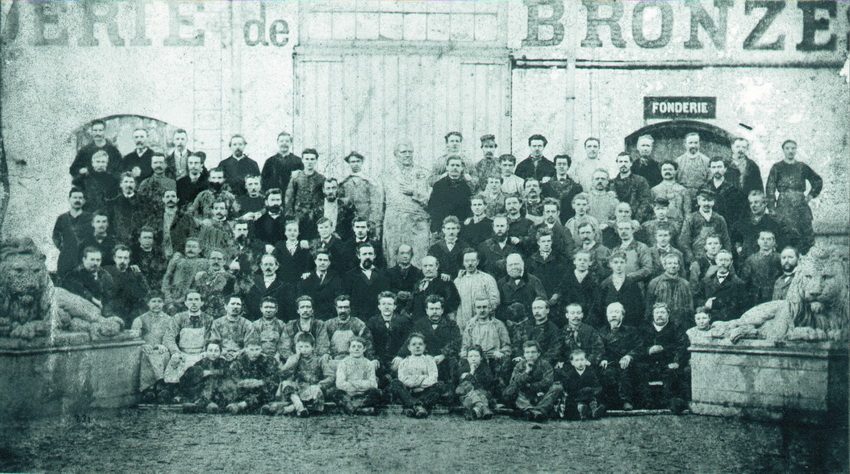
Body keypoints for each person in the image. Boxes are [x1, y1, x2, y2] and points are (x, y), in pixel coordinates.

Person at [765, 139, 823, 253]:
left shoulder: (802, 167)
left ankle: (802, 262)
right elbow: (770, 188)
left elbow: (817, 181)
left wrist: (810, 196)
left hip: (800, 205)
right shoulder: (777, 167)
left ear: (796, 150)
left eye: (793, 148)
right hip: (784, 206)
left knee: (804, 236)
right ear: (783, 150)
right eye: (787, 148)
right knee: (784, 235)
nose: (790, 151)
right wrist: (771, 208)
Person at [382, 141, 431, 267]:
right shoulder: (386, 175)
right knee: (394, 259)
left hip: (417, 222)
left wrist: (414, 192)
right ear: (396, 154)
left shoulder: (424, 173)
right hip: (394, 224)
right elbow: (380, 203)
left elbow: (431, 199)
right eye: (404, 152)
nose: (407, 155)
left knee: (419, 259)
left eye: (410, 152)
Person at [398, 295, 462, 383]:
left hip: (444, 360)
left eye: (437, 309)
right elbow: (410, 341)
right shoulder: (419, 325)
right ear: (427, 310)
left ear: (442, 310)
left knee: (453, 364)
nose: (434, 312)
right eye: (431, 309)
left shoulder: (451, 325)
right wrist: (400, 356)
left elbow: (456, 342)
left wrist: (443, 355)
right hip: (424, 359)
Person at [639, 303, 690, 413]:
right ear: (653, 315)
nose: (659, 315)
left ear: (668, 314)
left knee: (673, 373)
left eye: (662, 312)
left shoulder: (676, 328)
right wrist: (648, 350)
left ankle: (670, 401)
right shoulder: (644, 328)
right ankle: (646, 402)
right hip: (649, 362)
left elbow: (682, 346)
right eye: (657, 312)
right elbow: (638, 346)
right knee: (639, 370)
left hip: (668, 361)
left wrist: (675, 360)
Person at [276, 333, 335, 417]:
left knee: (315, 392)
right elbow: (283, 373)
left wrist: (320, 385)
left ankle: (294, 408)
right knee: (286, 383)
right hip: (297, 389)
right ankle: (299, 406)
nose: (304, 350)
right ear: (297, 347)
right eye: (301, 347)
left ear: (313, 347)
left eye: (307, 347)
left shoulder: (319, 360)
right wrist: (296, 357)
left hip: (312, 388)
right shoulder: (294, 358)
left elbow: (331, 376)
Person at [503, 340, 563, 421]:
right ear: (524, 354)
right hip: (524, 396)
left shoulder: (545, 365)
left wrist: (530, 386)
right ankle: (533, 411)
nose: (530, 355)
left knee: (557, 387)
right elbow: (513, 382)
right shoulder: (519, 366)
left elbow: (547, 382)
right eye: (527, 352)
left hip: (541, 394)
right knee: (512, 389)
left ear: (538, 353)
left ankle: (536, 410)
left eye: (533, 352)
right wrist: (527, 372)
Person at [598, 302, 643, 410]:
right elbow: (598, 348)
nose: (613, 315)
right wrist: (603, 359)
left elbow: (639, 347)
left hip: (628, 363)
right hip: (610, 362)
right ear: (607, 316)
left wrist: (629, 356)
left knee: (625, 370)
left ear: (622, 315)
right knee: (607, 373)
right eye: (611, 312)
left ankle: (626, 401)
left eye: (617, 312)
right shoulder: (601, 332)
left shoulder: (631, 331)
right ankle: (610, 403)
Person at [164, 290, 213, 383]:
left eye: (196, 299)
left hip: (202, 355)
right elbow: (168, 337)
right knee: (173, 380)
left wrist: (206, 352)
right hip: (182, 355)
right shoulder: (178, 318)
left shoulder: (208, 319)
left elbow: (211, 338)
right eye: (190, 299)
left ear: (201, 302)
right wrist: (176, 352)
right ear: (186, 303)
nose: (193, 302)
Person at [390, 333, 442, 418]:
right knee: (395, 383)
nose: (417, 346)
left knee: (439, 385)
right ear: (408, 347)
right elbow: (403, 379)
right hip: (408, 393)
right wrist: (423, 378)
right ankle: (418, 407)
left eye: (420, 344)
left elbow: (433, 378)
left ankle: (412, 407)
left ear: (424, 346)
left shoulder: (429, 360)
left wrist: (416, 382)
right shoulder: (404, 362)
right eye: (414, 344)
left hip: (425, 392)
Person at [731, 190, 791, 264]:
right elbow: (735, 240)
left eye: (756, 202)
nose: (753, 205)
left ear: (764, 203)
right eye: (751, 203)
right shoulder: (742, 224)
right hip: (746, 263)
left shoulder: (773, 224)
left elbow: (781, 246)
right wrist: (739, 248)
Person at [366, 291, 413, 386]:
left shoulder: (404, 321)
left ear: (394, 306)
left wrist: (401, 356)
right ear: (379, 306)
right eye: (383, 304)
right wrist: (373, 358)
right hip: (379, 360)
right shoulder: (372, 321)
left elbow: (409, 340)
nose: (386, 307)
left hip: (398, 358)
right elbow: (368, 342)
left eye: (389, 304)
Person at [226, 333, 279, 414]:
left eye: (257, 349)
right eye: (251, 350)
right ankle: (254, 406)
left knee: (270, 387)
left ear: (261, 349)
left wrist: (260, 382)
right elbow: (233, 378)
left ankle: (242, 405)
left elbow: (274, 377)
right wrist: (247, 383)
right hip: (244, 389)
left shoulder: (268, 361)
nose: (254, 353)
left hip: (260, 390)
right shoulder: (238, 361)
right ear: (246, 349)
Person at [131, 291, 173, 393]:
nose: (157, 304)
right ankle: (150, 387)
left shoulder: (169, 320)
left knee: (161, 355)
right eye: (153, 301)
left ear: (163, 303)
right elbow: (134, 338)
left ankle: (160, 386)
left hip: (163, 350)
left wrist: (164, 345)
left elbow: (172, 338)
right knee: (148, 355)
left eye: (160, 301)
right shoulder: (140, 319)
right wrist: (143, 345)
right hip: (145, 349)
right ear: (148, 303)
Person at [460, 297, 512, 380]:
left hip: (493, 360)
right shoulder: (470, 325)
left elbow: (507, 346)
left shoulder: (498, 325)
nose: (482, 310)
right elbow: (465, 345)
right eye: (479, 307)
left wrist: (501, 353)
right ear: (475, 308)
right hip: (476, 360)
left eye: (484, 307)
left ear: (490, 308)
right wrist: (465, 353)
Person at [678, 188, 731, 264]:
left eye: (709, 201)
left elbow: (726, 241)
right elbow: (683, 241)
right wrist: (692, 260)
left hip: (716, 260)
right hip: (697, 259)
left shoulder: (719, 219)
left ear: (714, 202)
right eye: (704, 200)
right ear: (698, 201)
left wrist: (725, 257)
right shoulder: (691, 218)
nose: (706, 204)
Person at [339, 151, 383, 239]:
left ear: (362, 162)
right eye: (352, 162)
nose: (355, 164)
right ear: (349, 163)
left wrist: (373, 222)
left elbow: (376, 204)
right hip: (349, 221)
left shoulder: (369, 181)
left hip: (366, 220)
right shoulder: (344, 182)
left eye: (358, 161)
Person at [104, 245, 150, 327]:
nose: (122, 261)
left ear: (129, 260)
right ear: (114, 258)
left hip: (131, 312)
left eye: (125, 258)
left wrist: (139, 276)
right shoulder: (106, 271)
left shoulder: (134, 273)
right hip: (112, 311)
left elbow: (144, 292)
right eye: (120, 257)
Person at [335, 337, 383, 415]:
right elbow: (340, 383)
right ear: (349, 349)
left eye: (359, 347)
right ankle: (362, 410)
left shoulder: (369, 364)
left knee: (377, 392)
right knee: (337, 393)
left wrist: (353, 383)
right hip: (349, 393)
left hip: (364, 394)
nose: (356, 349)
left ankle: (353, 407)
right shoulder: (343, 363)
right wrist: (356, 386)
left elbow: (373, 384)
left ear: (364, 349)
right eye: (353, 346)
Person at [285, 148, 326, 240]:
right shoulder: (296, 178)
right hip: (298, 216)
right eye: (307, 159)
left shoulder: (321, 179)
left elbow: (324, 198)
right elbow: (289, 197)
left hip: (315, 216)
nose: (309, 162)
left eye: (312, 159)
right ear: (302, 160)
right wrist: (290, 216)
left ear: (316, 160)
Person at [177, 341, 229, 413]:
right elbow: (187, 375)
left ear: (220, 352)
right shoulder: (201, 362)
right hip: (202, 390)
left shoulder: (223, 362)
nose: (213, 353)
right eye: (210, 350)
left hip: (218, 390)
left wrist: (211, 372)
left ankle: (204, 404)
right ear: (206, 351)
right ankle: (202, 403)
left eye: (216, 351)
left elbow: (228, 372)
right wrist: (200, 373)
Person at [645, 253, 694, 328]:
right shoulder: (655, 282)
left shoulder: (685, 284)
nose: (673, 266)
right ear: (664, 266)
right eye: (669, 263)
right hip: (661, 323)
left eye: (675, 263)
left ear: (679, 266)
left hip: (681, 323)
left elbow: (690, 306)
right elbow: (649, 305)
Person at [697, 250, 747, 322]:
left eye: (726, 260)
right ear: (716, 261)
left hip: (728, 321)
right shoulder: (705, 281)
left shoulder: (738, 283)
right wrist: (705, 304)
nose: (723, 263)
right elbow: (697, 298)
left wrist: (715, 303)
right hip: (708, 321)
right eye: (720, 260)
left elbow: (741, 307)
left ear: (731, 262)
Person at [597, 252, 644, 327]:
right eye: (615, 262)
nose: (619, 265)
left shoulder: (632, 284)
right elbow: (599, 307)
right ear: (610, 264)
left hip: (629, 325)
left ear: (625, 264)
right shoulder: (605, 284)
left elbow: (638, 307)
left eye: (622, 262)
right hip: (609, 325)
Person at [427, 156, 472, 235]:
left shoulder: (466, 187)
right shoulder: (438, 185)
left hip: (461, 228)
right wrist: (436, 228)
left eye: (457, 165)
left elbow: (469, 209)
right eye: (452, 165)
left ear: (462, 168)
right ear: (447, 167)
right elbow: (433, 208)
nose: (455, 168)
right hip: (442, 228)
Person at [54, 188, 94, 276]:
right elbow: (55, 236)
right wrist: (65, 248)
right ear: (69, 199)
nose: (77, 200)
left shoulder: (90, 218)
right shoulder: (62, 218)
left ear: (84, 200)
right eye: (75, 197)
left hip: (85, 260)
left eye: (80, 198)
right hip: (66, 259)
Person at [61, 247, 114, 314]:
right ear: (84, 259)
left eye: (98, 260)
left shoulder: (105, 276)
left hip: (101, 314)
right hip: (78, 312)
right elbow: (76, 292)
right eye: (92, 259)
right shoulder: (73, 274)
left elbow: (109, 298)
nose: (95, 263)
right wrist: (93, 300)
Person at [346, 243, 392, 319]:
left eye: (370, 254)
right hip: (358, 318)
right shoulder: (350, 276)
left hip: (378, 318)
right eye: (364, 254)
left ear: (374, 256)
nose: (367, 256)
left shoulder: (383, 275)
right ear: (358, 256)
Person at [555, 349, 604, 420]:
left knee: (592, 398)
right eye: (577, 360)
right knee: (573, 406)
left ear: (586, 361)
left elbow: (597, 386)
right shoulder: (570, 374)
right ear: (572, 363)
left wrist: (592, 390)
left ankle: (594, 411)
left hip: (590, 397)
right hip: (576, 398)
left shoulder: (590, 372)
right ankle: (583, 411)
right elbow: (569, 389)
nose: (580, 363)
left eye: (582, 359)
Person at [511, 298, 562, 365]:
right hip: (522, 361)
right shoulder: (524, 326)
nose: (536, 311)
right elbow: (516, 344)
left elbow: (554, 351)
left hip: (541, 364)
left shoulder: (553, 329)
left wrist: (536, 361)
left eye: (540, 308)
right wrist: (519, 356)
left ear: (547, 310)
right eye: (534, 308)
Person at [496, 254, 546, 322]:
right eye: (510, 265)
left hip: (530, 321)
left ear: (522, 264)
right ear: (507, 267)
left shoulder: (534, 281)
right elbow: (498, 306)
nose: (513, 267)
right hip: (508, 322)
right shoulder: (501, 283)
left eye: (516, 264)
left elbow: (542, 301)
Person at [161, 238, 208, 311]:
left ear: (199, 250)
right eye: (188, 246)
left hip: (193, 300)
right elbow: (167, 278)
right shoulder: (177, 261)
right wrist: (168, 299)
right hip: (174, 299)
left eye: (194, 247)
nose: (190, 249)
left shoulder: (204, 263)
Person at [555, 250, 599, 327]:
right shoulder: (567, 278)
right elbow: (562, 299)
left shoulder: (594, 280)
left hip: (586, 317)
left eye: (585, 260)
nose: (582, 262)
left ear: (590, 263)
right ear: (574, 261)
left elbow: (594, 302)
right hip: (569, 317)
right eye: (579, 260)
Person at [410, 256, 460, 321]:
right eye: (425, 266)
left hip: (438, 321)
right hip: (418, 322)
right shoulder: (418, 283)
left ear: (436, 266)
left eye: (431, 266)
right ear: (422, 268)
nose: (428, 269)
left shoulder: (446, 283)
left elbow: (454, 302)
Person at [325, 295, 373, 360]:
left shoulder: (358, 324)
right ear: (336, 308)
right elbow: (323, 344)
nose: (343, 310)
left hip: (354, 359)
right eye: (340, 307)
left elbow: (367, 344)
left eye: (346, 307)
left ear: (350, 308)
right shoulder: (328, 324)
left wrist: (372, 359)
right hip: (333, 360)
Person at [739, 230, 782, 305]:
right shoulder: (751, 260)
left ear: (774, 242)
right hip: (756, 298)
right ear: (758, 241)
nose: (765, 242)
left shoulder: (780, 258)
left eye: (769, 239)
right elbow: (744, 282)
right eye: (762, 239)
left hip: (775, 297)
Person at [525, 229, 567, 304]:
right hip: (537, 299)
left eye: (548, 241)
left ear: (551, 242)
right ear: (538, 242)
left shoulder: (560, 259)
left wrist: (556, 295)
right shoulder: (531, 260)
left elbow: (564, 280)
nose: (546, 244)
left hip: (555, 298)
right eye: (543, 241)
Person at [245, 254, 291, 322]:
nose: (268, 267)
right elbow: (249, 307)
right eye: (265, 264)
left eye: (271, 265)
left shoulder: (285, 286)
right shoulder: (253, 286)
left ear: (276, 266)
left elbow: (288, 309)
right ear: (261, 266)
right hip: (257, 324)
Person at [610, 152, 653, 223]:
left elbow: (645, 201)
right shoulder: (612, 183)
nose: (623, 164)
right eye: (620, 161)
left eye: (626, 161)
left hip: (635, 220)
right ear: (617, 163)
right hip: (617, 221)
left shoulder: (640, 181)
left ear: (631, 163)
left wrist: (636, 220)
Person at [454, 345, 495, 420]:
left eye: (476, 356)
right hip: (465, 394)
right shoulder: (463, 369)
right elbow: (462, 387)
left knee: (473, 397)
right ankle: (483, 407)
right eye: (470, 356)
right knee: (467, 391)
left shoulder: (485, 368)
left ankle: (474, 411)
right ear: (467, 358)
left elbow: (487, 383)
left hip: (482, 393)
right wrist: (472, 372)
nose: (473, 359)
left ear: (481, 358)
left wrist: (469, 376)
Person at [542, 154, 583, 223]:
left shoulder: (576, 187)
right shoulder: (546, 186)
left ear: (568, 167)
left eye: (564, 164)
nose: (561, 166)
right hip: (551, 220)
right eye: (559, 164)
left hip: (570, 221)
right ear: (555, 166)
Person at [705, 156, 744, 226]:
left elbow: (738, 214)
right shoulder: (704, 188)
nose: (717, 170)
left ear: (725, 168)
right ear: (710, 169)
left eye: (719, 167)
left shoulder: (733, 190)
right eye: (713, 167)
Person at [315, 178, 357, 242]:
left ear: (338, 189)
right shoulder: (316, 207)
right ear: (323, 190)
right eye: (328, 188)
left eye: (333, 188)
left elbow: (352, 228)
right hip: (321, 242)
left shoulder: (346, 206)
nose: (331, 191)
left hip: (341, 241)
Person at [477, 215, 518, 279]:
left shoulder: (515, 245)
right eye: (497, 226)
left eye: (502, 226)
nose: (499, 229)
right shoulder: (483, 246)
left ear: (507, 227)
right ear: (493, 227)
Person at [272, 219, 312, 285]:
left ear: (299, 233)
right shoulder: (279, 245)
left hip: (299, 281)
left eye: (295, 230)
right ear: (285, 232)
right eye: (289, 230)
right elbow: (274, 261)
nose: (292, 233)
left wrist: (307, 272)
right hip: (282, 280)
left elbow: (309, 263)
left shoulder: (303, 246)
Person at [676, 132, 711, 205]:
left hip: (701, 198)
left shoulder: (706, 161)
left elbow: (710, 181)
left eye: (696, 143)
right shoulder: (678, 161)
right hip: (682, 197)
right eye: (690, 143)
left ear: (699, 144)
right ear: (685, 144)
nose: (693, 145)